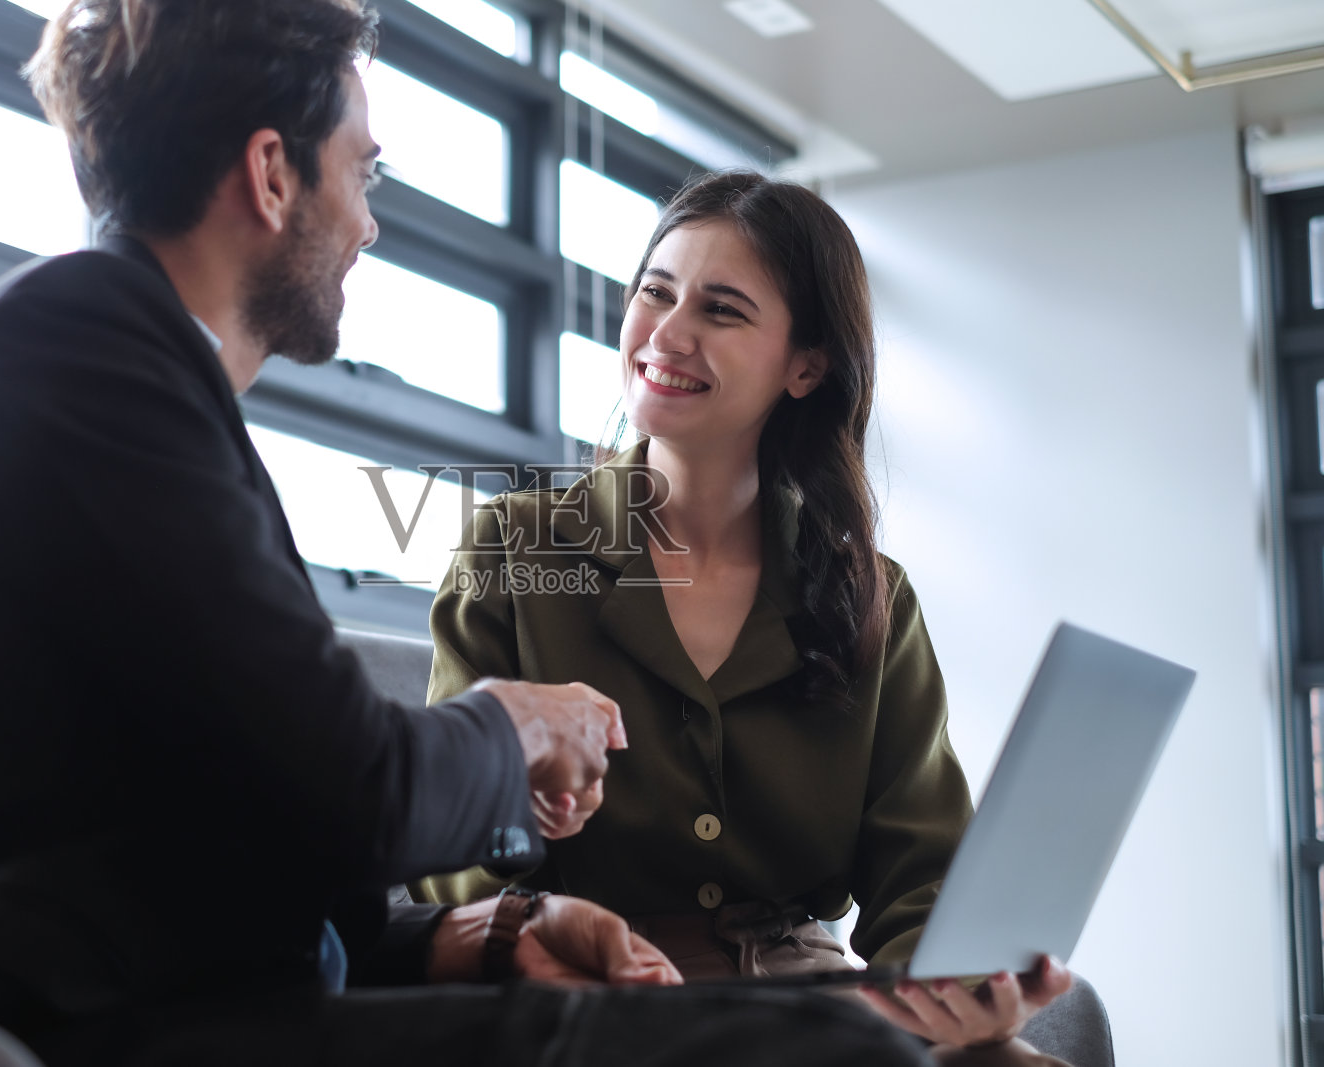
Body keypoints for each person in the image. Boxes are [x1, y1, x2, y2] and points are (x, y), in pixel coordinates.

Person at [0, 2, 943, 1064]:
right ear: (270, 175)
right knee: (836, 1055)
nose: (370, 222)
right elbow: (354, 790)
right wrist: (517, 721)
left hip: (156, 979)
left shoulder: (137, 382)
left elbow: (271, 810)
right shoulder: (75, 349)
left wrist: (483, 936)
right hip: (37, 1000)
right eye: (363, 170)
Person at [414, 171, 1073, 1056]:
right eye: (656, 292)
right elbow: (447, 862)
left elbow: (921, 872)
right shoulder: (513, 548)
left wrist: (957, 988)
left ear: (806, 366)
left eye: (721, 310)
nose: (667, 333)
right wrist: (517, 816)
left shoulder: (871, 594)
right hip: (601, 989)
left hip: (812, 992)